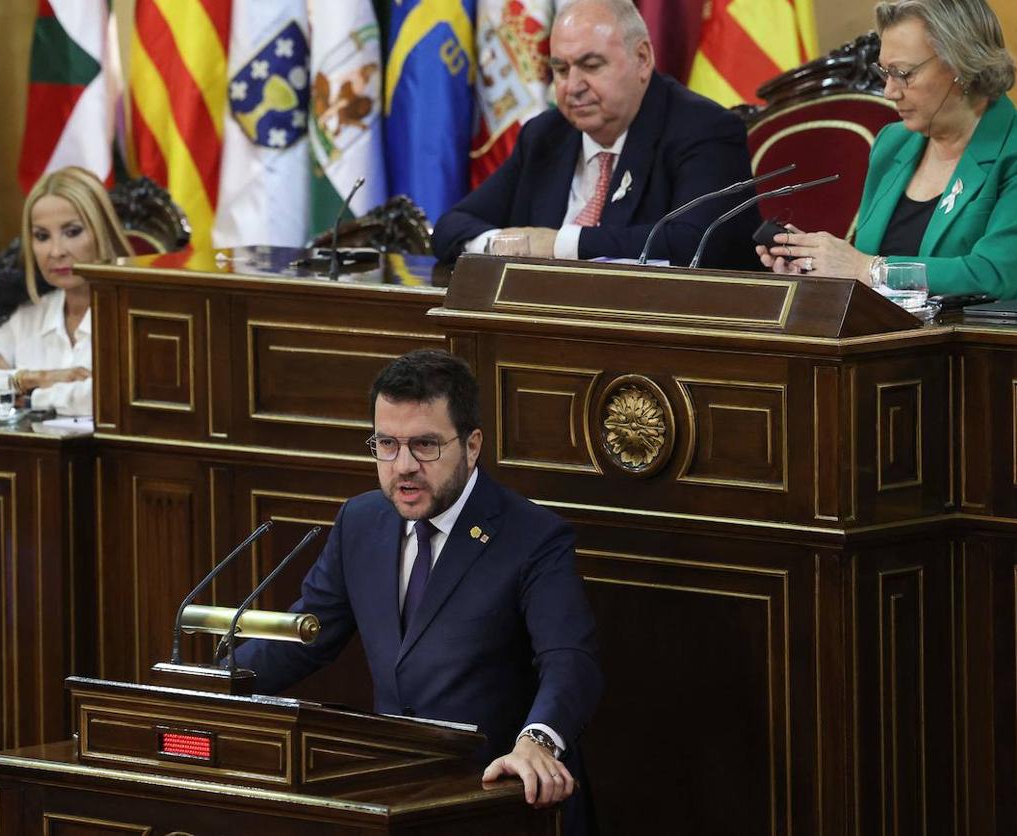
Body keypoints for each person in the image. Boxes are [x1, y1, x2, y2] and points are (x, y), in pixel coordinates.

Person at [234, 349, 603, 832]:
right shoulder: (361, 521)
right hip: (396, 798)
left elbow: (571, 659)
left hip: (500, 799)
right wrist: (207, 687)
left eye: (425, 445)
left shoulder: (532, 536)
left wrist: (539, 740)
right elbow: (306, 637)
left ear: (472, 446)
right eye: (386, 444)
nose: (403, 465)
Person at [430, 0, 761, 269]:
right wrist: (507, 245)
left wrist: (558, 244)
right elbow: (451, 226)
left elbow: (693, 243)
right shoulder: (546, 134)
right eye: (561, 69)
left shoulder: (702, 129)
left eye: (591, 66)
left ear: (642, 59)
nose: (572, 87)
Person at [757, 0, 1017, 298]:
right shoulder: (892, 143)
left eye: (903, 73)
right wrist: (817, 269)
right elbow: (865, 269)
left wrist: (868, 269)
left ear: (962, 66)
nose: (889, 91)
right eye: (885, 72)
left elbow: (995, 274)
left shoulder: (1010, 149)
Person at [0, 167, 133, 415]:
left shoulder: (135, 316)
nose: (56, 251)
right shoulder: (29, 317)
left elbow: (108, 398)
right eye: (42, 236)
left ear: (103, 233)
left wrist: (27, 397)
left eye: (72, 232)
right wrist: (29, 378)